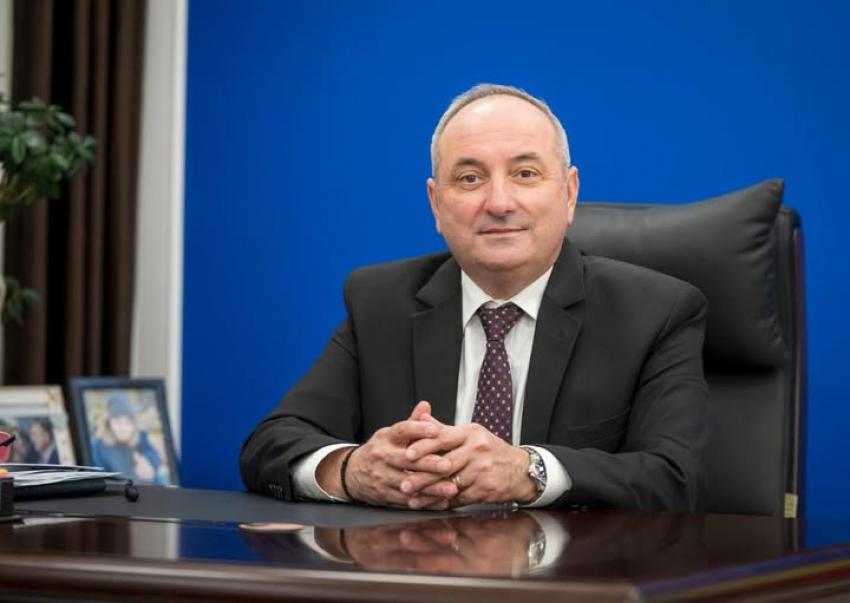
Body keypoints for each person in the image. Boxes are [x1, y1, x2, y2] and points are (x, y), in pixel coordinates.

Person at [240, 83, 707, 511]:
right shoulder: (381, 302)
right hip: (412, 567)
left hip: (574, 569)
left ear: (569, 194)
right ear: (435, 204)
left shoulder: (655, 312)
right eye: (469, 179)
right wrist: (350, 470)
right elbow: (271, 444)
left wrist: (528, 472)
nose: (499, 203)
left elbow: (674, 478)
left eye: (525, 173)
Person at [92, 393, 163, 484]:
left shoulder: (141, 437)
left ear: (134, 423)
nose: (123, 427)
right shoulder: (98, 447)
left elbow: (153, 455)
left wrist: (149, 463)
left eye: (128, 422)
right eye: (117, 421)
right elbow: (98, 479)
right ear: (108, 422)